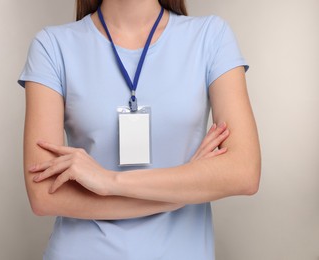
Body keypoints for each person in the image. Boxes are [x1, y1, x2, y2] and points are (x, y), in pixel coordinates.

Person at [17, 0, 261, 259]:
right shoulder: (52, 46)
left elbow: (244, 172)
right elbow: (44, 195)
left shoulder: (211, 36)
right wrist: (179, 194)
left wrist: (109, 181)